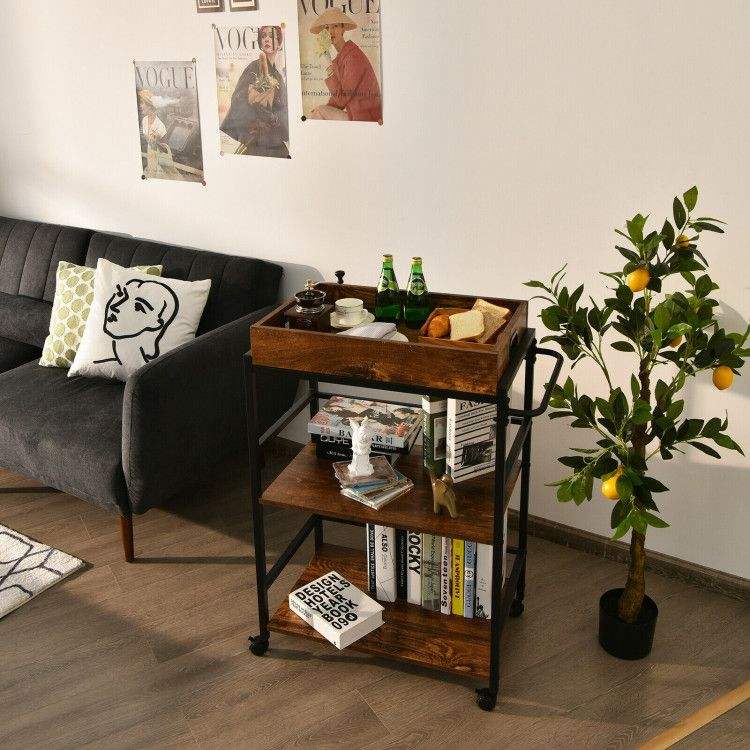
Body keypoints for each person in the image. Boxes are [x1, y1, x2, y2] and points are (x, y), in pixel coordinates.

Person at [220, 26, 289, 158]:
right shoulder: (253, 68)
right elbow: (238, 100)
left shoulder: (278, 77)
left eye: (272, 36)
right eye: (263, 36)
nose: (267, 39)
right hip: (254, 138)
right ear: (260, 42)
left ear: (279, 43)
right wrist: (257, 113)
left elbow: (284, 109)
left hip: (273, 138)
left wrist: (274, 118)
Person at [308, 8, 382, 123]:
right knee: (317, 112)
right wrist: (320, 110)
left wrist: (330, 72)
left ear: (343, 29)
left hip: (367, 119)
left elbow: (342, 99)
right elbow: (338, 100)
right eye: (327, 28)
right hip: (356, 116)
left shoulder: (353, 56)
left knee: (319, 112)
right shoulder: (340, 58)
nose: (330, 31)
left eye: (335, 26)